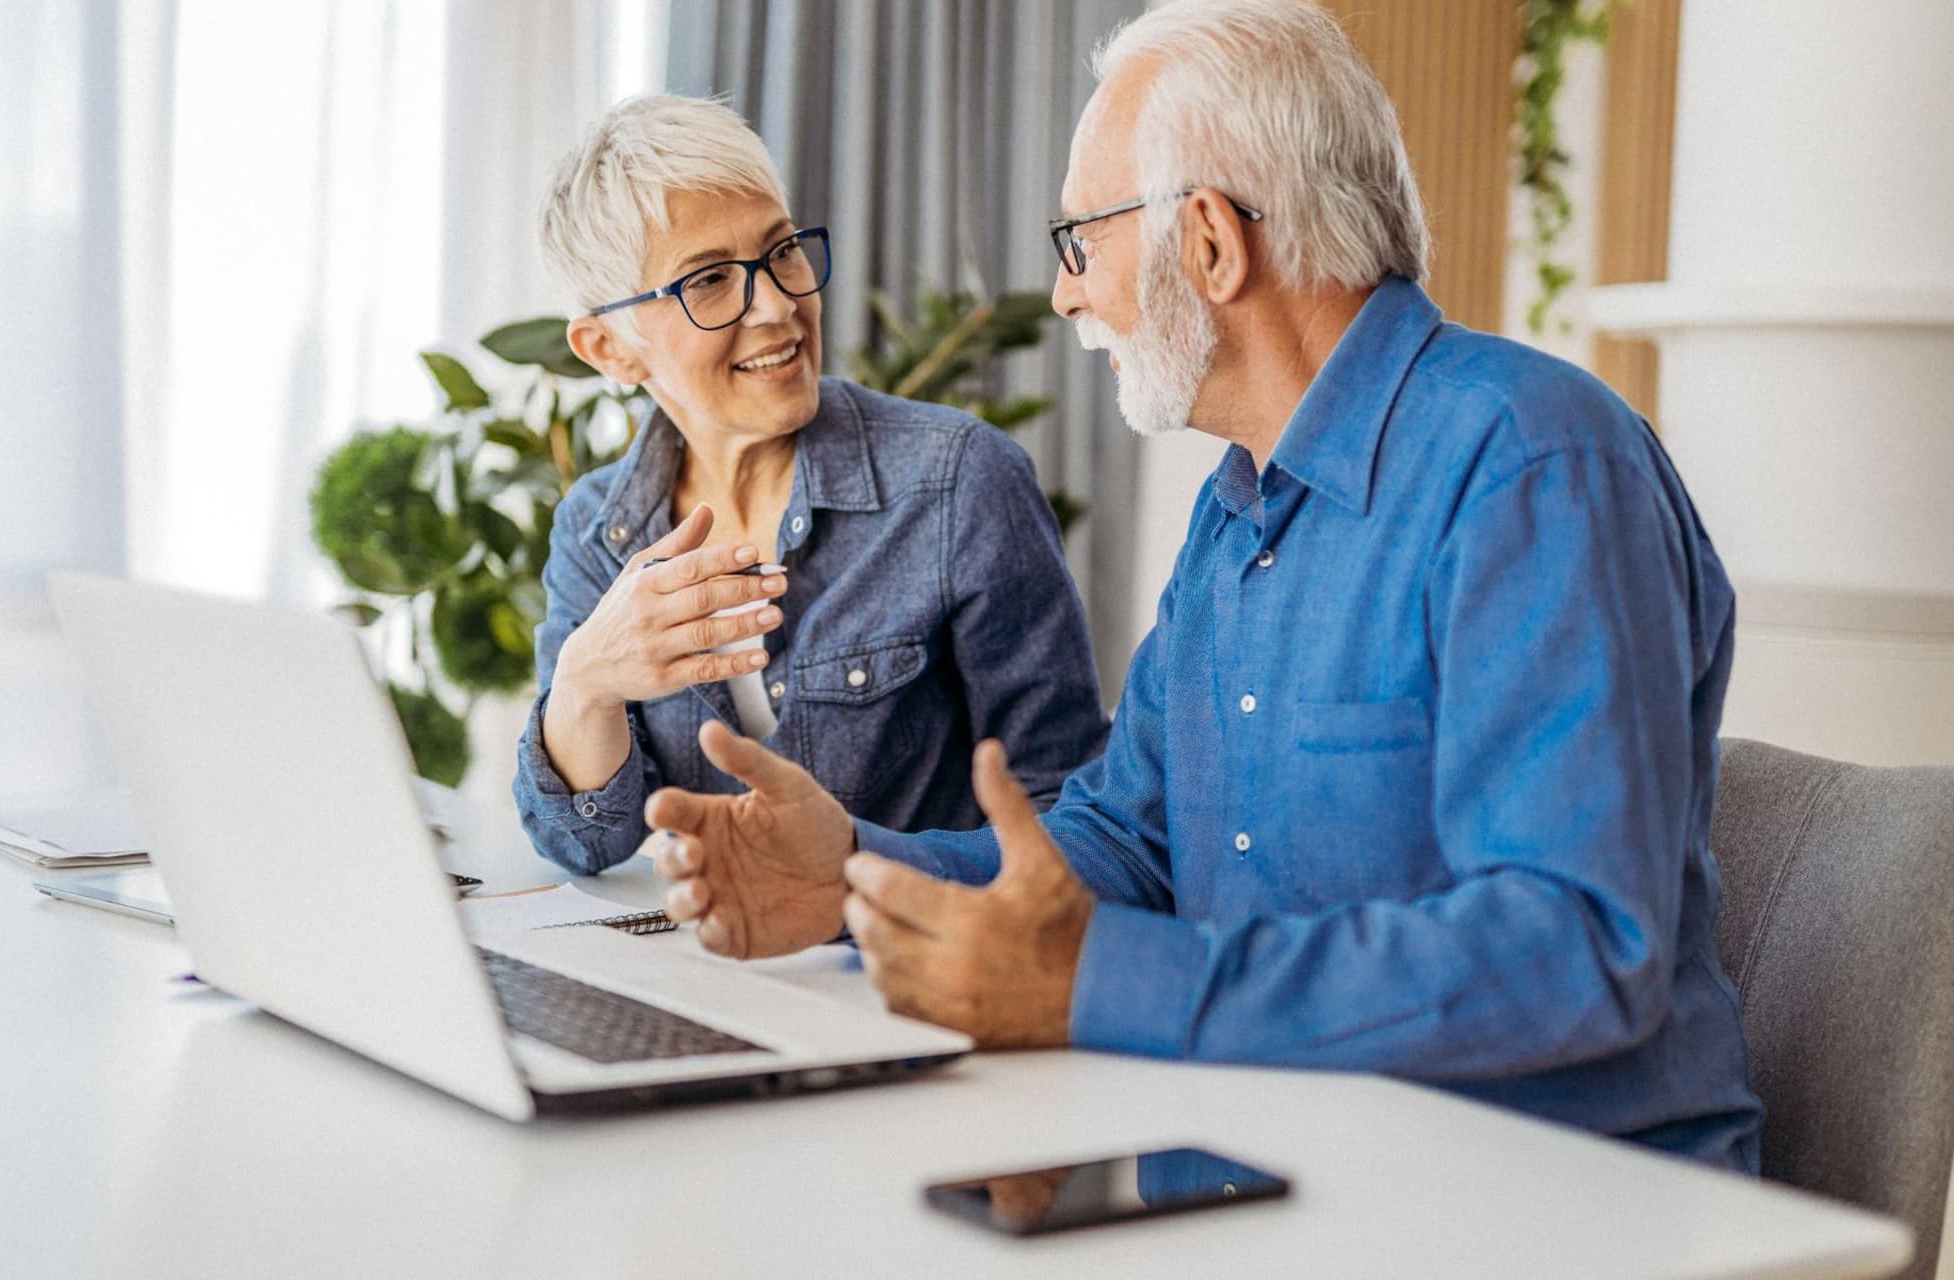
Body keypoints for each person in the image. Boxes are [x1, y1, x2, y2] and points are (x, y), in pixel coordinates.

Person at [645, 1, 1764, 1173]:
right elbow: (1130, 842)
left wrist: (1096, 981)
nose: (1066, 295)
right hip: (1258, 1174)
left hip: (1534, 1198)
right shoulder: (1234, 510)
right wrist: (850, 872)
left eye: (1078, 239)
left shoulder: (1531, 465)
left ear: (1211, 242)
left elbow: (1570, 947)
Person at [514, 95, 1110, 876]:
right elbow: (585, 843)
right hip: (704, 946)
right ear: (608, 349)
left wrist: (854, 880)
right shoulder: (597, 532)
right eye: (710, 280)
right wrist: (585, 682)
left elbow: (1069, 821)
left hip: (905, 948)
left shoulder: (958, 482)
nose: (777, 305)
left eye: (783, 251)